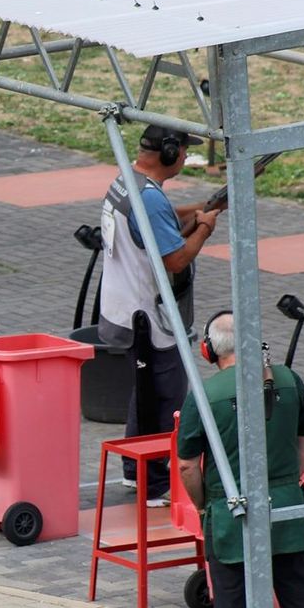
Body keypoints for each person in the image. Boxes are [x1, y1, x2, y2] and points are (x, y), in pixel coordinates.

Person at [177, 311, 304, 608]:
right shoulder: (288, 380)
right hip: (286, 509)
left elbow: (187, 466)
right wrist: (284, 482)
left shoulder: (206, 394)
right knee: (300, 605)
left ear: (209, 350)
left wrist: (202, 506)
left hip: (229, 513)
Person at [98, 124, 224, 506]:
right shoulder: (148, 200)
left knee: (145, 394)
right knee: (167, 399)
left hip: (125, 308)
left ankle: (135, 473)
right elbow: (176, 258)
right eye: (184, 150)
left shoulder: (128, 180)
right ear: (169, 152)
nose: (186, 157)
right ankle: (154, 484)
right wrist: (204, 228)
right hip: (150, 316)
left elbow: (161, 215)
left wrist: (197, 209)